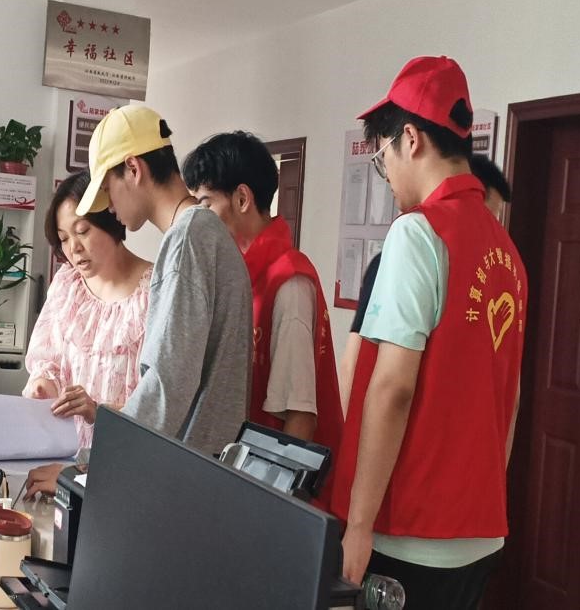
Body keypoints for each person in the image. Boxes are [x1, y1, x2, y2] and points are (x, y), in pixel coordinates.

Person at [330, 56, 528, 610]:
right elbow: (508, 396)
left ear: (411, 139)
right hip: (479, 531)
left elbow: (393, 388)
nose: (387, 172)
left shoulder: (418, 234)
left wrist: (359, 524)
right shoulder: (507, 252)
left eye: (383, 156)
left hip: (410, 531)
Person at [24, 106, 253, 500]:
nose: (109, 207)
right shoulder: (204, 233)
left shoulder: (187, 241)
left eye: (107, 191)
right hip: (195, 471)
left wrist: (86, 469)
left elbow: (165, 388)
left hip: (179, 479)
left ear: (133, 169)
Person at [183, 131, 342, 457]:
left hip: (269, 474)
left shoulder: (289, 282)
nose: (199, 221)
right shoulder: (238, 276)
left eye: (206, 205)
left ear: (242, 199)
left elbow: (300, 418)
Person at [338, 154, 513, 415]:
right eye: (490, 214)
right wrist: (349, 431)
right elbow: (361, 367)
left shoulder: (497, 271)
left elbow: (509, 391)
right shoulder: (403, 254)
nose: (491, 226)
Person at [23, 171, 152, 450]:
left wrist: (99, 411)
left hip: (125, 455)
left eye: (82, 231)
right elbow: (48, 361)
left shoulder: (153, 292)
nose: (74, 248)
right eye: (64, 238)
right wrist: (42, 385)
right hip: (64, 457)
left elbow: (159, 399)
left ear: (110, 221)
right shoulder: (67, 285)